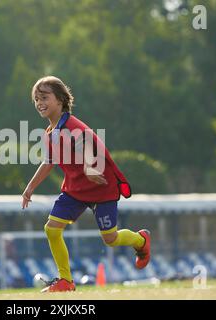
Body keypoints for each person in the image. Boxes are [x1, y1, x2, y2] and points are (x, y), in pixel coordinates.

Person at [21, 76, 150, 292]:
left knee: (110, 239)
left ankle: (141, 240)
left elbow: (90, 143)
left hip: (101, 189)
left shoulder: (72, 126)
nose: (39, 103)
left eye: (44, 97)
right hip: (75, 190)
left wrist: (91, 167)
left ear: (60, 100)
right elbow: (49, 162)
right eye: (36, 99)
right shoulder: (50, 133)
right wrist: (30, 188)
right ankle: (66, 281)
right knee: (52, 229)